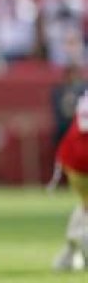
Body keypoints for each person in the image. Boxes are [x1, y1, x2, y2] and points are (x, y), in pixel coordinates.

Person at [52, 91, 88, 271]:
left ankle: (69, 252)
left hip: (72, 159)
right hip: (80, 159)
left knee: (85, 205)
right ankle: (80, 241)